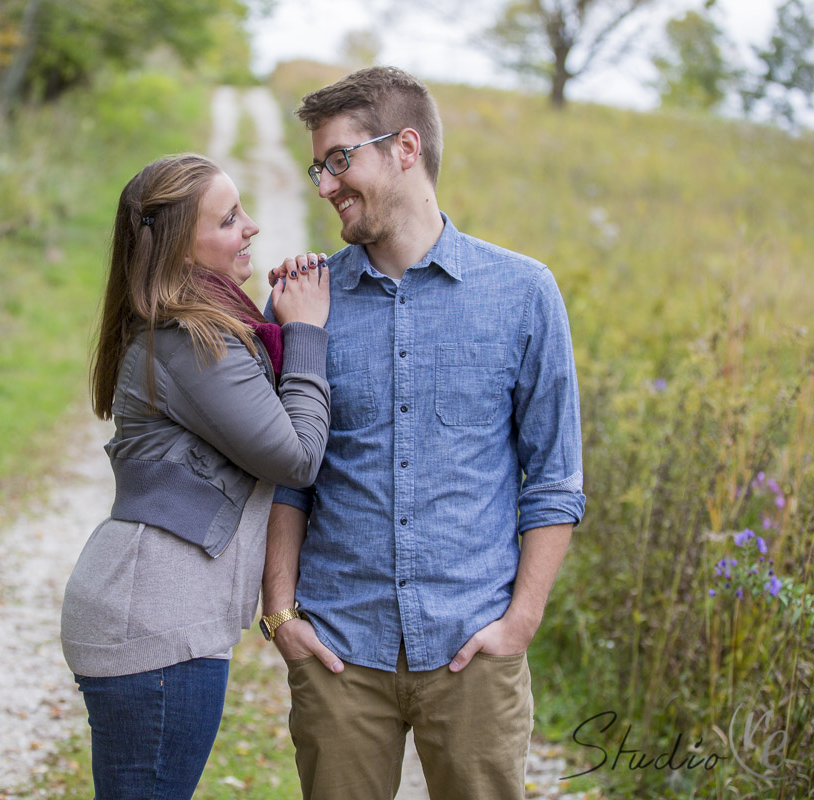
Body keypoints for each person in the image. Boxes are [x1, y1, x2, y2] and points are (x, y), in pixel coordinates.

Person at [259, 66, 587, 800]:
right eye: (318, 166)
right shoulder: (306, 303)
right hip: (340, 651)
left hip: (473, 651)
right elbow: (287, 473)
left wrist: (519, 627)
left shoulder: (523, 293)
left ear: (406, 147)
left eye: (340, 159)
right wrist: (281, 614)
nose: (324, 185)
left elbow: (556, 479)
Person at [60, 153, 332, 799]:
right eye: (230, 218)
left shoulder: (190, 328)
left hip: (153, 615)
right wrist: (308, 336)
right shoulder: (190, 339)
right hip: (157, 625)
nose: (253, 228)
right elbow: (295, 457)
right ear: (184, 248)